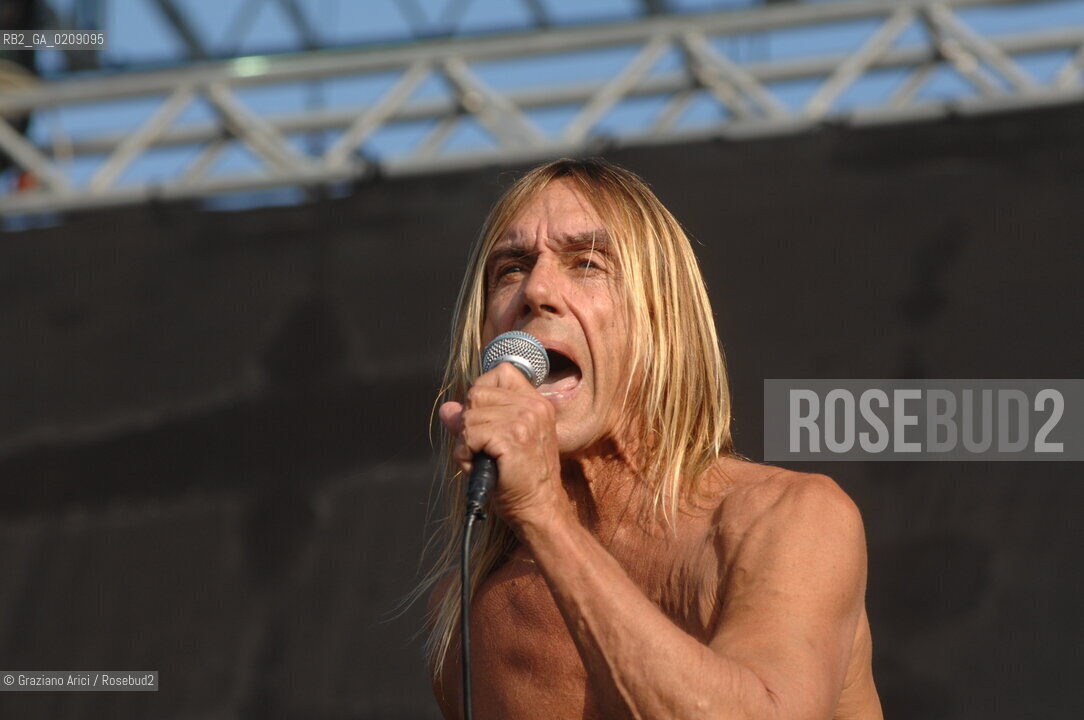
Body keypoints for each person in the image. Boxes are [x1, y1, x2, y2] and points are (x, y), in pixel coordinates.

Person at [422, 158, 882, 719]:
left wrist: (543, 513)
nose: (537, 289)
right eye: (511, 269)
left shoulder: (788, 519)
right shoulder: (470, 615)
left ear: (660, 318)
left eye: (587, 263)